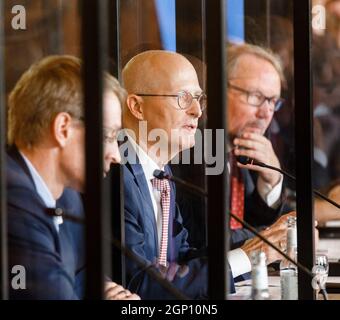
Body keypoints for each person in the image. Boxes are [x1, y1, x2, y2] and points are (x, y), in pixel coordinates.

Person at [121, 50, 289, 299]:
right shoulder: (117, 177)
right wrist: (253, 252)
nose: (197, 111)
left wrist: (261, 249)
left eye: (199, 99)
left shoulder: (160, 173)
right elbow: (143, 284)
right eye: (183, 97)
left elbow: (182, 258)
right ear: (137, 106)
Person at [7, 55, 139, 300]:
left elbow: (79, 275)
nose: (116, 156)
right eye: (108, 137)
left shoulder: (67, 196)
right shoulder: (12, 201)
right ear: (63, 129)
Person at [225, 43, 286, 247]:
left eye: (272, 101)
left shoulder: (245, 147)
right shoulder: (193, 148)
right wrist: (273, 238)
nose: (266, 112)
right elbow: (206, 238)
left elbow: (248, 221)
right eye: (256, 97)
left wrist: (271, 181)